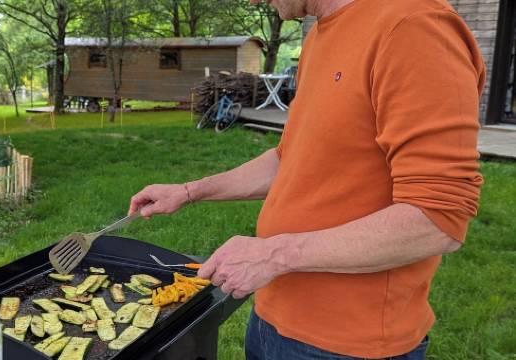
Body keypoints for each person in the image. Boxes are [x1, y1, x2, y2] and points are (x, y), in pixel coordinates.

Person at [127, 0, 485, 358]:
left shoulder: (414, 27)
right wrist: (190, 192)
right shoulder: (319, 34)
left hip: (347, 344)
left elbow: (437, 218)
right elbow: (291, 157)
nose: (252, 1)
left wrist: (274, 255)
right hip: (272, 316)